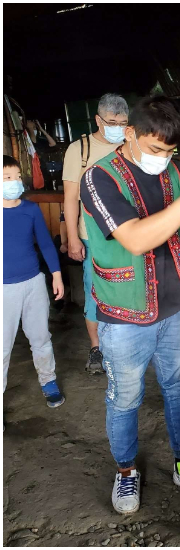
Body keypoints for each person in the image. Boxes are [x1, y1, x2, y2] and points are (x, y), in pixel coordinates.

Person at [79, 96, 180, 516]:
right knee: (125, 397)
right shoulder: (99, 178)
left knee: (179, 389)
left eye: (169, 151)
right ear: (129, 133)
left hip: (176, 307)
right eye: (155, 149)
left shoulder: (178, 172)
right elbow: (136, 238)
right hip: (124, 314)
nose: (162, 159)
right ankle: (126, 470)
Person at [62, 93, 130, 375]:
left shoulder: (131, 144)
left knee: (128, 290)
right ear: (98, 120)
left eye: (123, 123)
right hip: (92, 237)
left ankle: (127, 345)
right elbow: (70, 198)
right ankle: (96, 348)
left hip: (128, 234)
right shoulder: (80, 150)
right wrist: (73, 238)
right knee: (95, 292)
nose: (118, 128)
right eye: (112, 123)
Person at [3, 155, 65, 407]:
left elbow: (46, 244)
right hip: (4, 289)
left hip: (33, 283)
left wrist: (56, 275)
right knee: (2, 348)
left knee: (41, 337)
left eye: (17, 177)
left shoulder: (30, 209)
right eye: (7, 177)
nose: (14, 182)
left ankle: (48, 380)